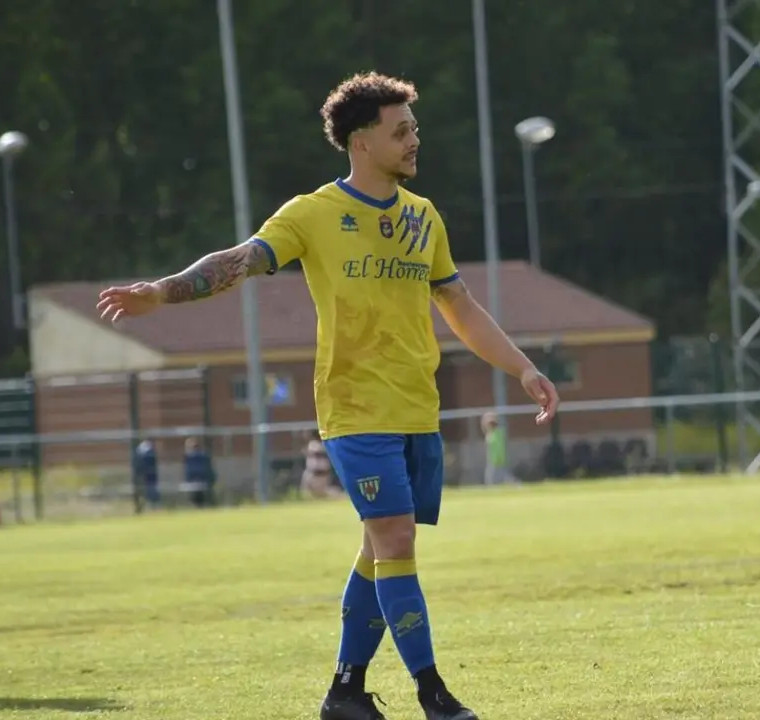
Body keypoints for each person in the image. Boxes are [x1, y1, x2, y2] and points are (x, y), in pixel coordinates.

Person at [95, 72, 560, 720]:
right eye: (401, 131)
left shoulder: (424, 218)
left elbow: (460, 306)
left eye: (414, 128)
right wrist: (163, 290)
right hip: (352, 410)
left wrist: (522, 368)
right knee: (395, 539)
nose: (414, 140)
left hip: (414, 410)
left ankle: (345, 691)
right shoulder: (312, 214)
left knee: (380, 549)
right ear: (361, 141)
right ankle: (435, 696)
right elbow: (240, 259)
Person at [301, 431, 343, 500]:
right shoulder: (313, 444)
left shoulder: (319, 445)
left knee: (322, 492)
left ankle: (340, 495)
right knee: (306, 491)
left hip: (321, 474)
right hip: (311, 472)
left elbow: (317, 451)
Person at [182, 437, 216, 508]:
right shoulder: (204, 455)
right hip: (202, 480)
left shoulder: (192, 457)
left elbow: (190, 471)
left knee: (198, 494)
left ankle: (199, 504)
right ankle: (204, 504)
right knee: (200, 494)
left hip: (198, 480)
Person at [479, 413, 510, 485]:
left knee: (498, 477)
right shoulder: (491, 434)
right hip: (493, 461)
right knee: (492, 478)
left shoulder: (497, 434)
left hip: (498, 461)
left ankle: (516, 485)